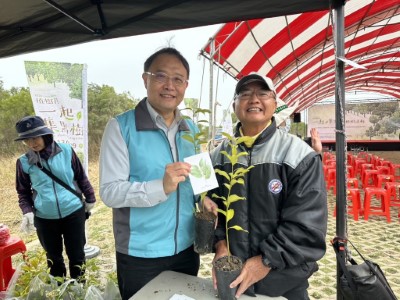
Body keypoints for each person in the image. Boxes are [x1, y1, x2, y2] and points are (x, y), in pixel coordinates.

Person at [99, 47, 217, 299]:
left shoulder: (191, 128)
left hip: (186, 248)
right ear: (146, 79)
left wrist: (204, 199)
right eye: (161, 76)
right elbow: (109, 192)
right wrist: (160, 187)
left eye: (178, 79)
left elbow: (201, 181)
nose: (169, 86)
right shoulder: (121, 127)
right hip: (141, 254)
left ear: (186, 85)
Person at [209, 73, 328, 300]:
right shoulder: (218, 156)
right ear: (234, 104)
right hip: (233, 281)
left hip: (284, 283)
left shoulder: (298, 155)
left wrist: (265, 261)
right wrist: (221, 244)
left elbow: (308, 225)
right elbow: (213, 209)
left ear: (275, 103)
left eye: (263, 93)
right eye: (244, 94)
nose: (254, 99)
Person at [15, 115, 96, 280]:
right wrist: (27, 211)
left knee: (77, 255)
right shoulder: (23, 162)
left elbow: (81, 177)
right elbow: (23, 191)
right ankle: (59, 290)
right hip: (45, 218)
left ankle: (79, 288)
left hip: (73, 211)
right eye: (27, 140)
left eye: (35, 137)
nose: (32, 143)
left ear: (45, 134)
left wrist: (90, 198)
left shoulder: (66, 151)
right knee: (53, 258)